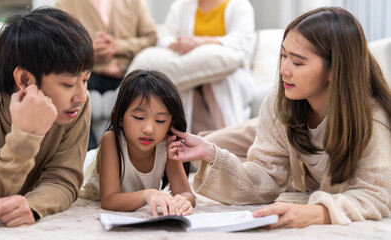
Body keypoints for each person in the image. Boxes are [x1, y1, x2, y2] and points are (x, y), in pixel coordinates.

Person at [167, 7, 391, 228]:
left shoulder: (373, 119)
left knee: (213, 147)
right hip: (279, 125)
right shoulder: (280, 98)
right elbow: (266, 176)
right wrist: (210, 152)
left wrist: (316, 213)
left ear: (335, 69)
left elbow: (375, 194)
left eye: (298, 62)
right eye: (283, 55)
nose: (284, 69)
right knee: (208, 145)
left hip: (294, 147)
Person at [0, 8, 93, 227]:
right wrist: (26, 135)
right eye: (68, 84)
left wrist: (33, 205)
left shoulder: (76, 103)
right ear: (24, 79)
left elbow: (64, 178)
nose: (80, 95)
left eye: (86, 79)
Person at [81, 70, 196, 217]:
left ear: (170, 124)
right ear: (120, 117)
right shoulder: (111, 140)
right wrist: (147, 194)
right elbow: (109, 200)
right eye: (139, 117)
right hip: (84, 168)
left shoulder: (167, 145)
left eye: (160, 121)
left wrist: (183, 200)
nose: (148, 129)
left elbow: (187, 194)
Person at [56, 0, 157, 149]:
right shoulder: (66, 4)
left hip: (127, 75)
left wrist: (119, 46)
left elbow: (152, 38)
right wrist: (88, 51)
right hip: (89, 74)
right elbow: (58, 47)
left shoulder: (134, 3)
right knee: (69, 94)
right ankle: (86, 158)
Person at [157, 0, 256, 134]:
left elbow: (244, 41)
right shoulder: (180, 6)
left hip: (230, 75)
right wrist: (179, 44)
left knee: (218, 80)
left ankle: (230, 139)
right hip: (189, 74)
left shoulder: (239, 5)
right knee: (185, 86)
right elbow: (163, 38)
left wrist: (202, 42)